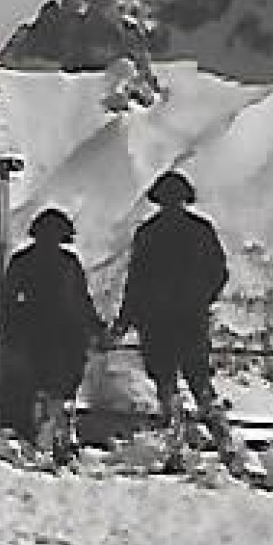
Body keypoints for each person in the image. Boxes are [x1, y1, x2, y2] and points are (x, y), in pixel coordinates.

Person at [109, 170, 240, 474]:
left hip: (156, 324)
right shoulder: (201, 231)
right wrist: (200, 299)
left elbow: (135, 285)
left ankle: (176, 450)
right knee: (201, 386)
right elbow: (219, 273)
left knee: (167, 389)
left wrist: (124, 322)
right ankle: (226, 447)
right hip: (190, 321)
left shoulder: (148, 234)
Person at [0, 207, 104, 467]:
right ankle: (55, 442)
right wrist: (94, 327)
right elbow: (80, 301)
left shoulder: (27, 261)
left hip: (49, 336)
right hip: (55, 336)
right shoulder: (65, 263)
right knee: (56, 392)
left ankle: (49, 442)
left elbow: (10, 303)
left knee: (48, 392)